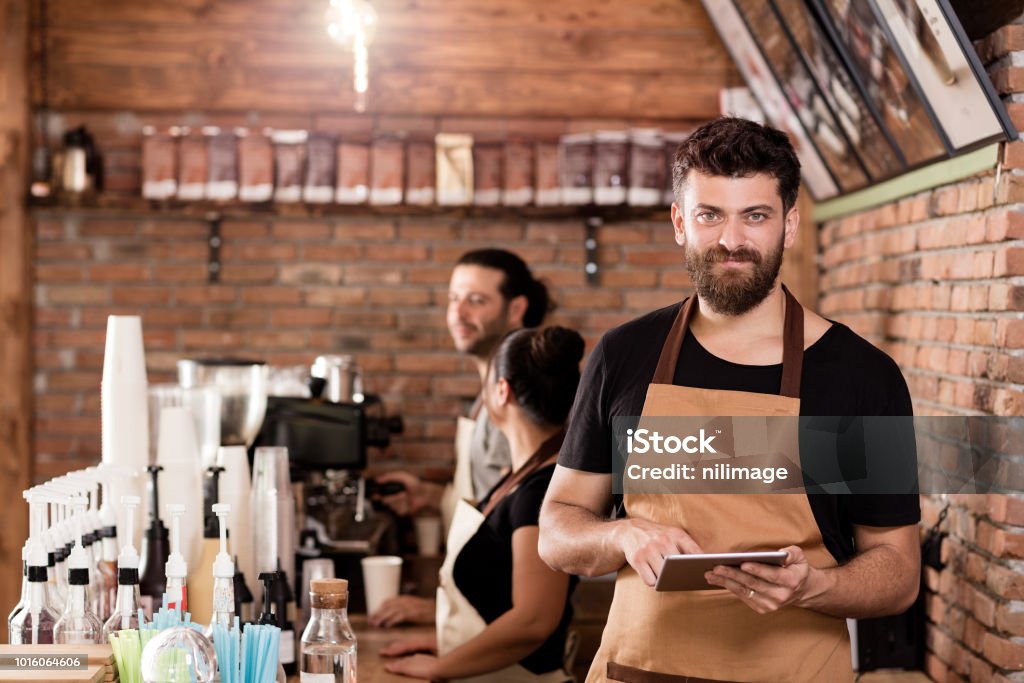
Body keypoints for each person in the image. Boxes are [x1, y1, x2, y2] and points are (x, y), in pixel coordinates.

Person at [538, 117, 921, 682]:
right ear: (679, 222)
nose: (731, 240)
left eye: (756, 216)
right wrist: (620, 533)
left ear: (789, 225)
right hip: (638, 671)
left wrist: (818, 585)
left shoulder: (863, 377)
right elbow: (556, 529)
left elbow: (899, 570)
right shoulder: (624, 354)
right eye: (709, 214)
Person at [382, 326, 584, 682]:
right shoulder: (518, 479)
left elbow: (534, 620)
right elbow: (498, 602)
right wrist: (446, 644)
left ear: (502, 391)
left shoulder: (538, 493)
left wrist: (441, 667)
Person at [370, 249, 553, 628]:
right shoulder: (486, 398)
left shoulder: (516, 403)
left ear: (516, 308)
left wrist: (437, 611)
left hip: (499, 623)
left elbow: (525, 527)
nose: (458, 312)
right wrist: (430, 495)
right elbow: (492, 498)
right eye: (454, 298)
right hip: (478, 619)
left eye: (476, 300)